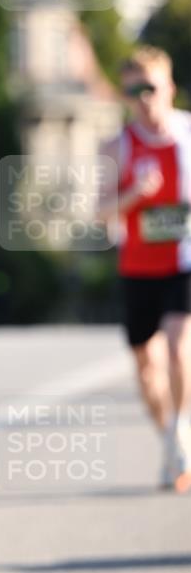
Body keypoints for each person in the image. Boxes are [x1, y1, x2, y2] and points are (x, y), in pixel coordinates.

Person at [98, 46, 191, 493]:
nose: (143, 99)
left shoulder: (189, 137)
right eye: (133, 90)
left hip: (183, 262)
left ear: (170, 88)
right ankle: (169, 438)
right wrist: (133, 194)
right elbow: (100, 213)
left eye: (151, 88)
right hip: (137, 266)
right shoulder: (117, 146)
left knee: (177, 350)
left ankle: (183, 434)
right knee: (145, 365)